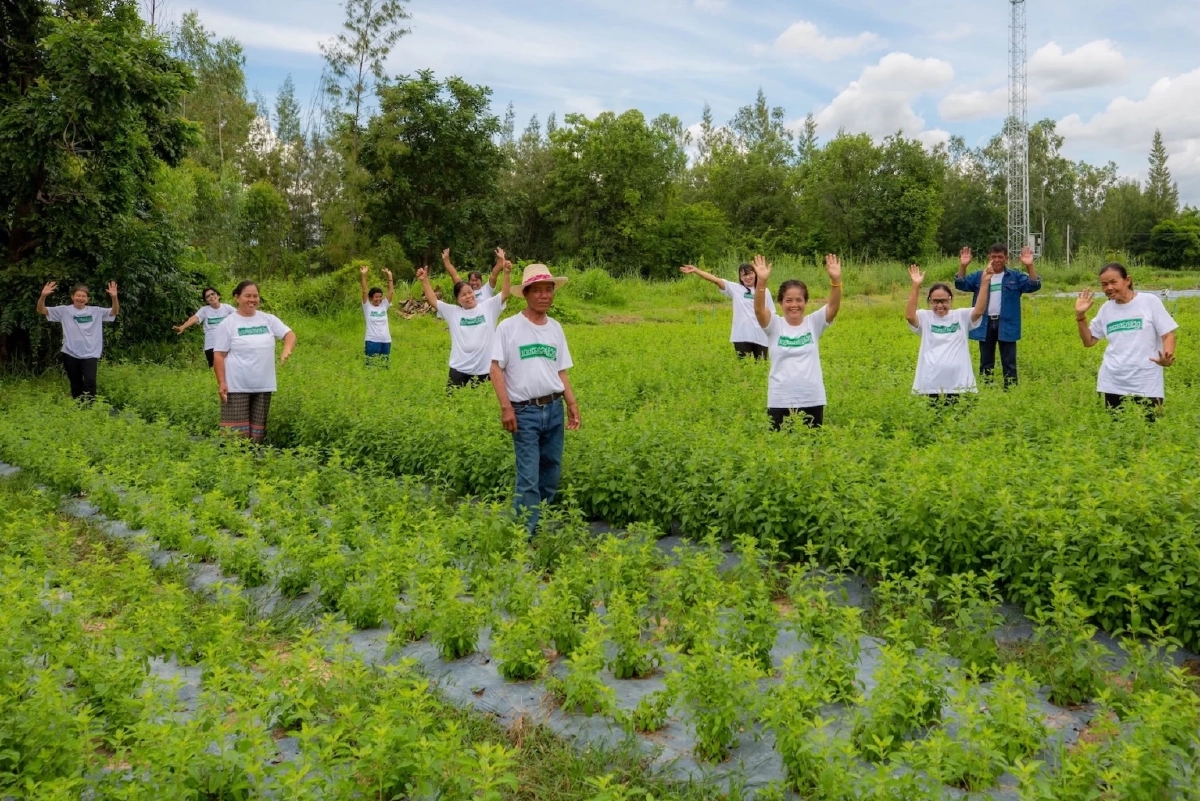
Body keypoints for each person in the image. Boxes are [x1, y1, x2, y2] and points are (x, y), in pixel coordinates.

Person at [490, 263, 581, 534]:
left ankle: (539, 520)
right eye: (538, 290)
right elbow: (495, 368)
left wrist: (571, 403)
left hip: (553, 408)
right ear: (526, 294)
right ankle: (525, 534)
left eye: (548, 290)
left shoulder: (555, 328)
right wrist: (506, 408)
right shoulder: (509, 328)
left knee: (551, 469)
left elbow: (560, 369)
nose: (544, 295)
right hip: (524, 412)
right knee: (528, 475)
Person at [1074, 263, 1177, 418]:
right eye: (1104, 284)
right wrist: (1080, 316)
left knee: (1152, 429)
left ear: (1127, 280)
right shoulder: (1106, 309)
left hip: (1146, 381)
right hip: (1113, 381)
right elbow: (1089, 341)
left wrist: (1167, 356)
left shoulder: (1149, 302)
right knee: (1116, 431)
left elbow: (1168, 335)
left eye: (1113, 282)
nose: (1108, 288)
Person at [752, 254, 842, 430]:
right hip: (780, 400)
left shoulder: (813, 323)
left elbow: (833, 307)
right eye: (789, 300)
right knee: (780, 450)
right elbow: (758, 310)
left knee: (812, 450)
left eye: (799, 300)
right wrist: (761, 283)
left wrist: (836, 280)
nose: (794, 304)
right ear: (780, 302)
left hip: (812, 398)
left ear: (805, 302)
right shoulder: (774, 325)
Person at [211, 281, 296, 443]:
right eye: (247, 296)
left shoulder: (268, 320)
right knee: (234, 437)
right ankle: (233, 465)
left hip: (263, 385)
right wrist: (221, 382)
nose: (252, 300)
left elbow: (289, 334)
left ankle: (254, 465)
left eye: (255, 296)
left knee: (257, 436)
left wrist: (287, 349)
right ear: (237, 297)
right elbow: (219, 355)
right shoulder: (228, 323)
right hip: (236, 386)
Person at [419, 248, 513, 388]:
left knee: (482, 404)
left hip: (485, 368)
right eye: (463, 295)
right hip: (459, 367)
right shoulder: (453, 312)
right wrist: (424, 280)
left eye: (470, 292)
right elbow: (433, 300)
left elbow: (505, 293)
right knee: (452, 403)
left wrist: (506, 273)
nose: (468, 296)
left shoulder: (488, 307)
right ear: (457, 300)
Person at [905, 264, 994, 405]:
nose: (940, 305)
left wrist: (985, 282)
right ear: (929, 301)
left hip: (958, 382)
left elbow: (978, 311)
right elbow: (910, 316)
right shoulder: (925, 317)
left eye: (944, 301)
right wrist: (915, 286)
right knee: (932, 419)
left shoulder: (961, 316)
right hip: (930, 382)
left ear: (950, 299)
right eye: (935, 301)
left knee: (957, 418)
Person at [955, 244, 1041, 386]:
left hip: (1006, 323)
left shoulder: (1015, 277)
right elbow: (961, 284)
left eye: (1000, 257)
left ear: (1006, 258)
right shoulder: (979, 276)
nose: (996, 260)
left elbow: (1034, 285)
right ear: (989, 257)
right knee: (986, 360)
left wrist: (1029, 266)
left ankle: (1011, 389)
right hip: (985, 323)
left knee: (1009, 361)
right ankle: (986, 386)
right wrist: (963, 265)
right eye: (993, 256)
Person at [37, 281, 119, 401]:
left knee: (90, 381)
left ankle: (90, 407)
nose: (80, 298)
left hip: (90, 353)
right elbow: (41, 310)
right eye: (78, 295)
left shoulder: (96, 311)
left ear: (88, 299)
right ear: (72, 297)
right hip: (70, 352)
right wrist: (43, 295)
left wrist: (114, 297)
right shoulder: (64, 310)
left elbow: (114, 312)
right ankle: (78, 406)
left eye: (83, 296)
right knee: (75, 382)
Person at [680, 263, 775, 359]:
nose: (747, 277)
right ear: (740, 278)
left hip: (761, 335)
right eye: (744, 275)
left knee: (761, 364)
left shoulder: (764, 291)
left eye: (750, 274)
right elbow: (715, 280)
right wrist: (696, 270)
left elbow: (771, 314)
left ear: (755, 274)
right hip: (741, 335)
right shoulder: (736, 289)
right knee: (742, 365)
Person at [173, 287, 236, 368]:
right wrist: (183, 327)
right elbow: (195, 318)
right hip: (211, 346)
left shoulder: (227, 308)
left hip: (227, 345)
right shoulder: (204, 310)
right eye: (208, 296)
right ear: (206, 301)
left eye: (213, 294)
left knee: (230, 370)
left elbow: (239, 316)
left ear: (218, 295)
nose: (211, 297)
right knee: (214, 372)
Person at [360, 264, 395, 366]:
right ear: (371, 298)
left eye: (380, 297)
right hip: (372, 341)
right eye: (376, 297)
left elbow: (391, 292)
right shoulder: (367, 307)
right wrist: (363, 275)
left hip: (386, 340)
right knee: (371, 366)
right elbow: (364, 290)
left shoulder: (384, 305)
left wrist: (390, 276)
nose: (379, 299)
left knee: (384, 366)